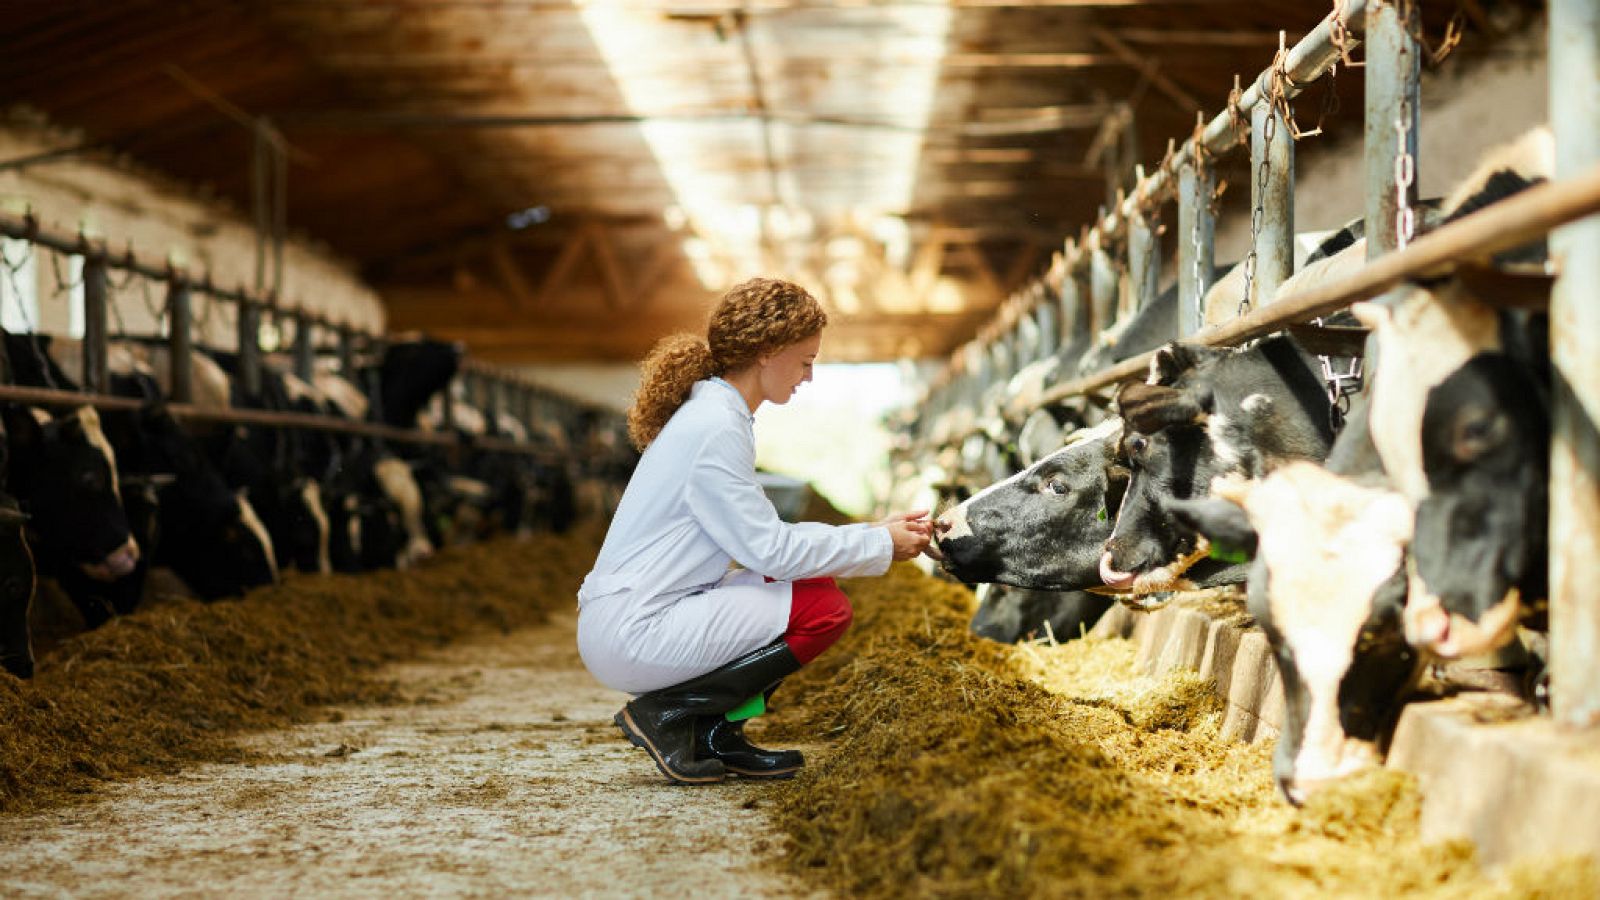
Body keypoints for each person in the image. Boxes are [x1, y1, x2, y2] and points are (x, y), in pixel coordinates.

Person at [576, 277, 932, 785]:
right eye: (806, 361)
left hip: (642, 611)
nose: (809, 377)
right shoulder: (716, 426)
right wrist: (879, 544)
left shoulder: (717, 416)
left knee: (815, 591)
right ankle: (671, 714)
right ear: (768, 352)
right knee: (824, 610)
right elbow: (770, 551)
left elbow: (762, 538)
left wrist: (876, 529)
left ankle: (716, 734)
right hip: (637, 628)